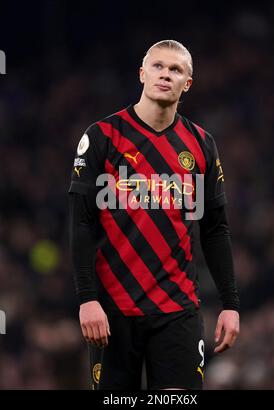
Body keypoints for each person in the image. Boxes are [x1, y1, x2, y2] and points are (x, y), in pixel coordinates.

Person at [69, 39, 240, 390]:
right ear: (142, 74)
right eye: (158, 66)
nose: (165, 75)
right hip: (113, 309)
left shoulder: (202, 144)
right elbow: (81, 222)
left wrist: (230, 303)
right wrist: (87, 299)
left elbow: (215, 229)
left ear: (187, 83)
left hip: (177, 310)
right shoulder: (103, 136)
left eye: (175, 70)